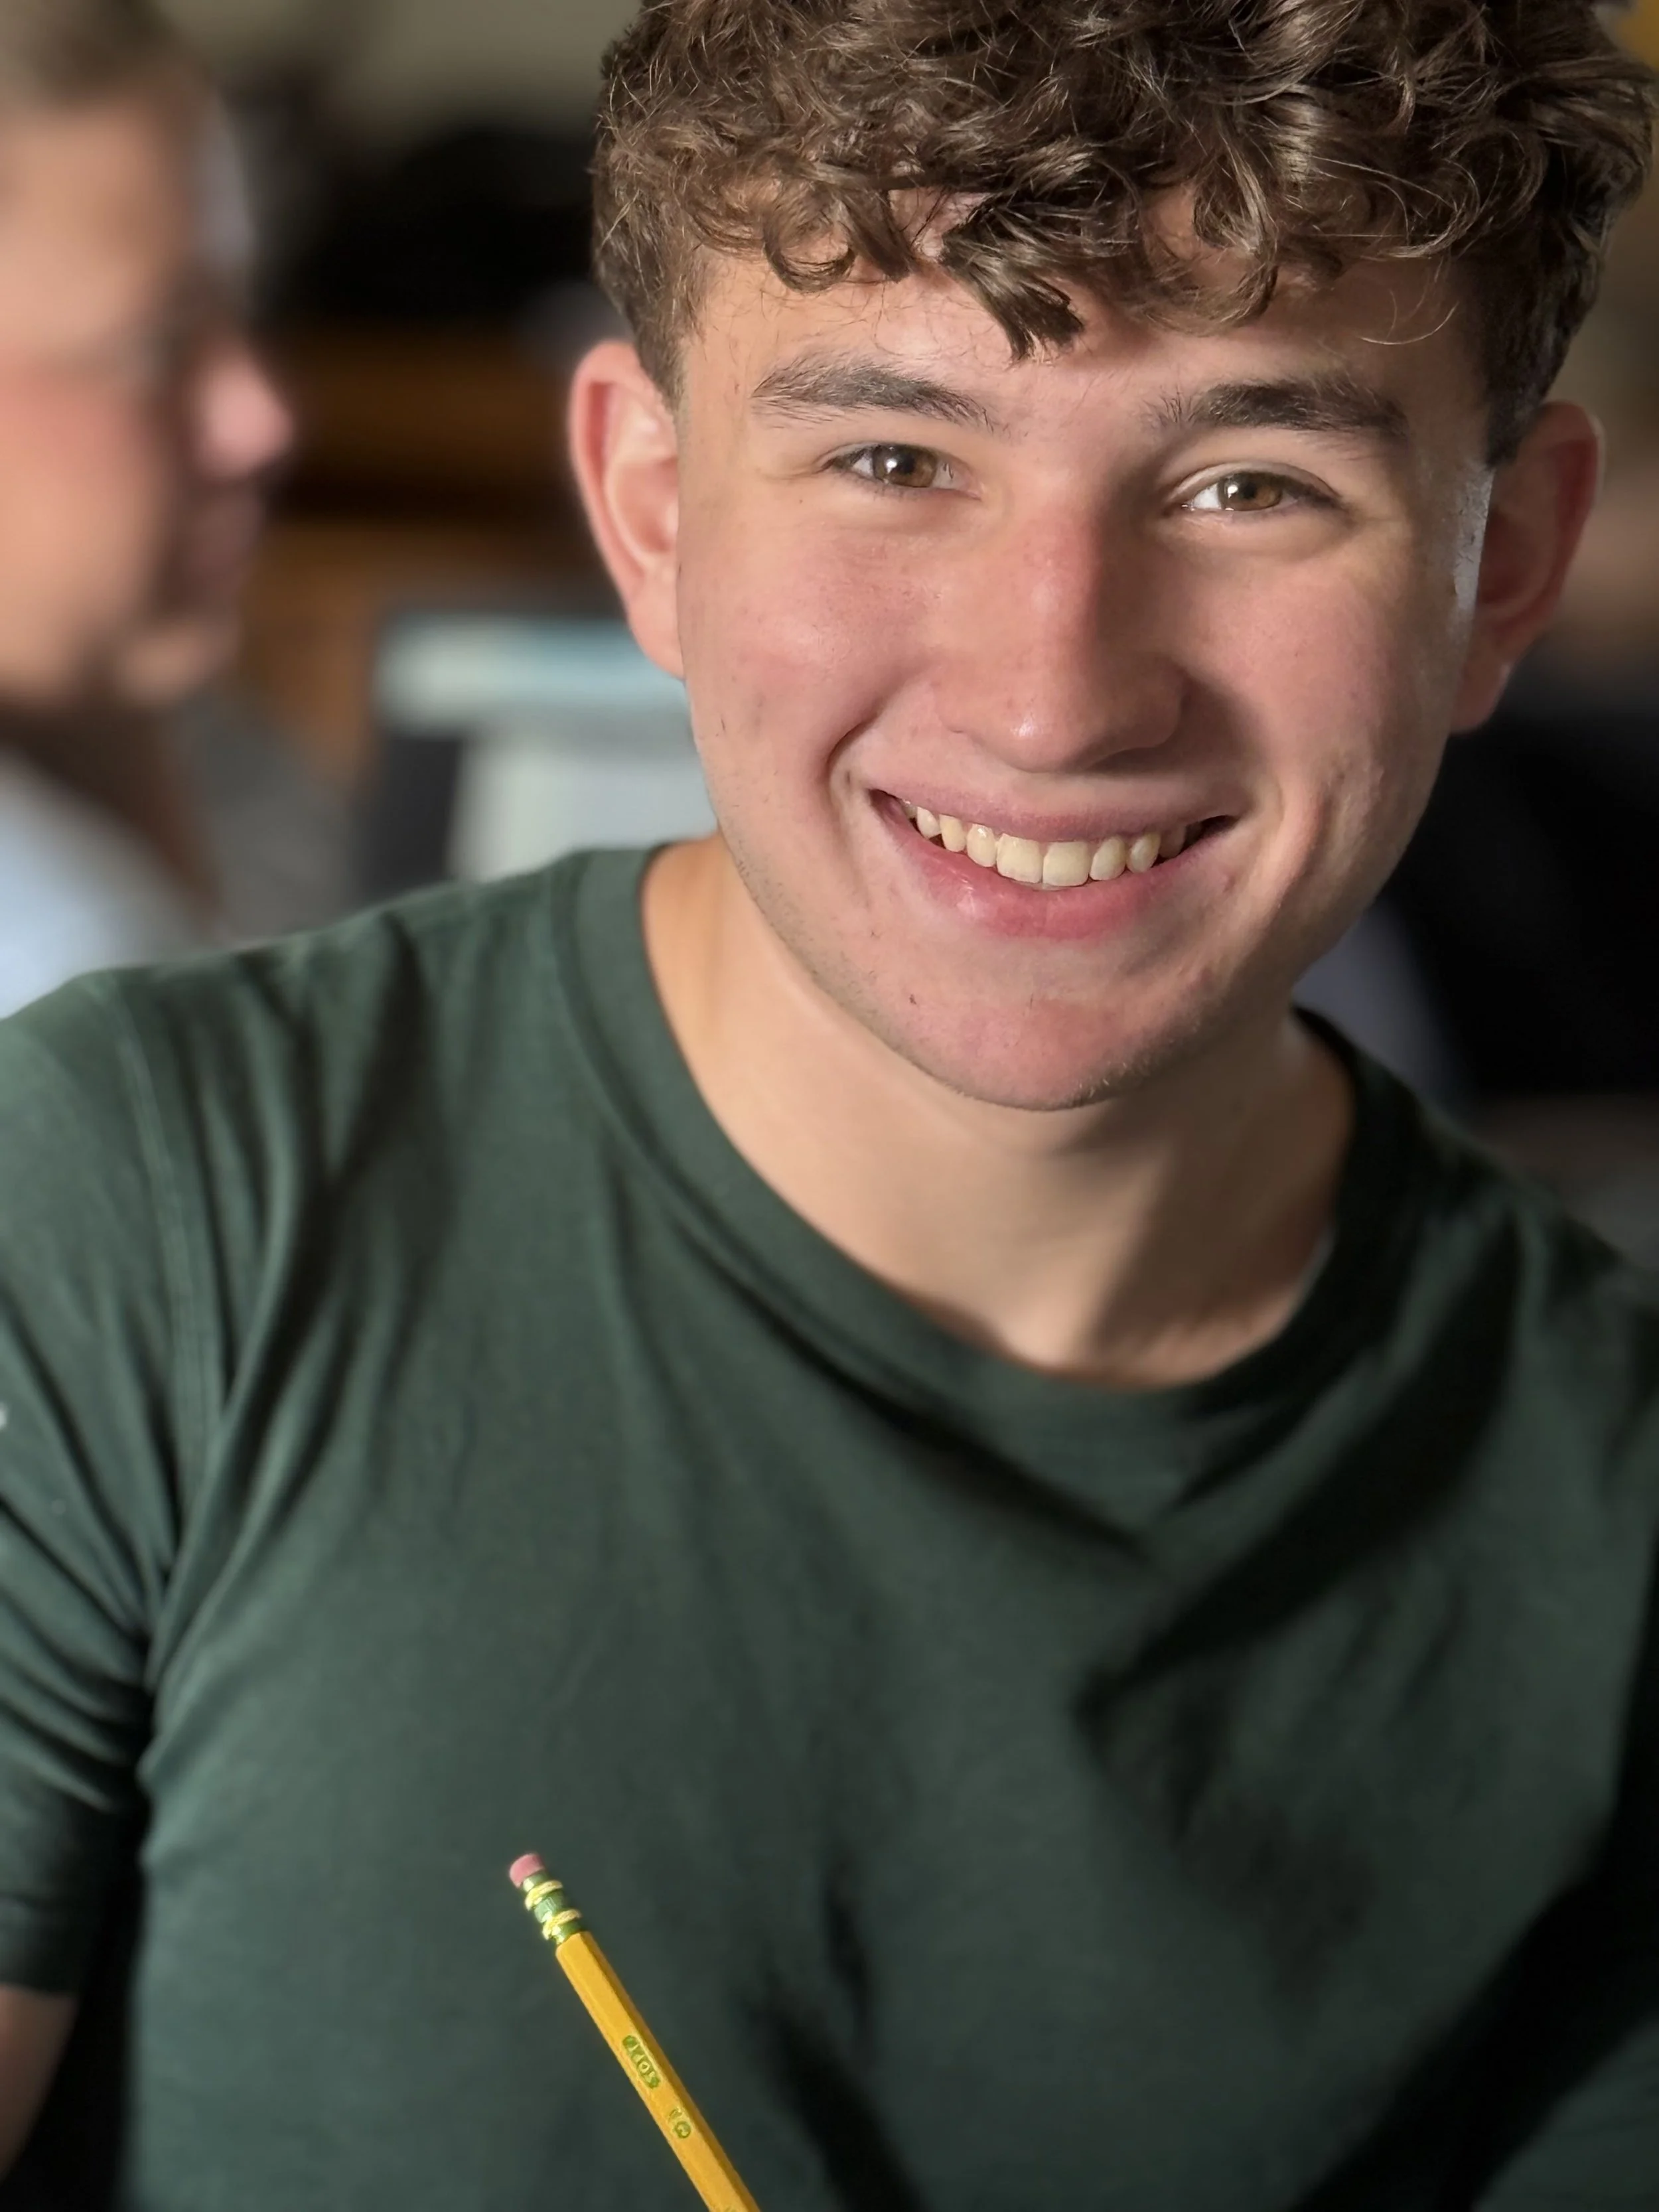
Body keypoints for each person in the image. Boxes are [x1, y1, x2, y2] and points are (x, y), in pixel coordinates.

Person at [0, 1, 1655, 2205]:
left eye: (1252, 482)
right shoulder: (123, 1218)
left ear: (1504, 562)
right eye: (893, 461)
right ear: (649, 507)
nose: (1052, 695)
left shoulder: (1613, 1510)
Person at [0, 0, 337, 1023]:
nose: (261, 420)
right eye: (157, 347)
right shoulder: (66, 981)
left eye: (240, 313)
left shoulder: (226, 768)